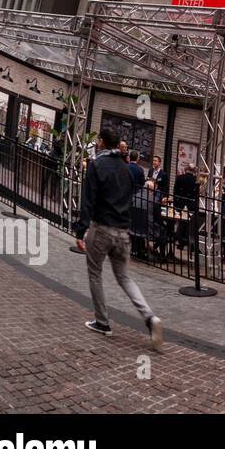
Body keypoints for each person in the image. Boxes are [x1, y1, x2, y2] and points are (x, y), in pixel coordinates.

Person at [75, 128, 163, 351]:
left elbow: (88, 199)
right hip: (123, 230)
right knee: (124, 277)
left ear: (102, 143)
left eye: (98, 140)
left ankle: (102, 321)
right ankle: (150, 317)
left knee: (95, 273)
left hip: (102, 227)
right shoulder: (126, 169)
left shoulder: (96, 165)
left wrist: (80, 230)